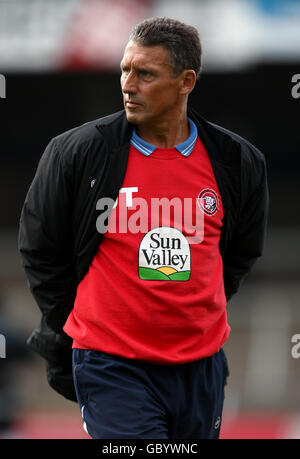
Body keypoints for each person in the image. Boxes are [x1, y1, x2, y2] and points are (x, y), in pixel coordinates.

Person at [18, 17, 269, 439]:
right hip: (111, 364)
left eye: (145, 74)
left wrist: (196, 308)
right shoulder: (77, 153)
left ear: (186, 81)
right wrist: (78, 323)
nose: (128, 84)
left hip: (200, 366)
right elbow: (40, 250)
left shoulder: (236, 161)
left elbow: (241, 253)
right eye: (124, 69)